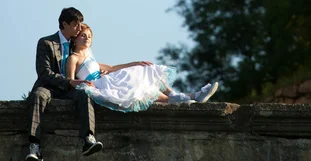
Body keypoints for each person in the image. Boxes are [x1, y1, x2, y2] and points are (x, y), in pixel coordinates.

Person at [66, 24, 218, 112]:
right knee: (143, 91)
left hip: (106, 80)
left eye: (89, 36)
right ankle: (190, 97)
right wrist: (83, 85)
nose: (87, 38)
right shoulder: (73, 58)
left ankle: (189, 97)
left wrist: (135, 63)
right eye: (83, 35)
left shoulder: (91, 59)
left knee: (146, 73)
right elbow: (69, 81)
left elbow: (112, 67)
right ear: (75, 38)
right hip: (98, 86)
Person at [26, 8, 103, 161]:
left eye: (81, 24)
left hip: (70, 89)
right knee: (38, 95)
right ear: (64, 24)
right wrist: (69, 81)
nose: (79, 27)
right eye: (76, 24)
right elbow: (44, 73)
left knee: (85, 93)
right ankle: (34, 145)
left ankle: (88, 138)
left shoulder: (77, 44)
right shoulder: (46, 43)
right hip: (49, 86)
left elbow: (89, 65)